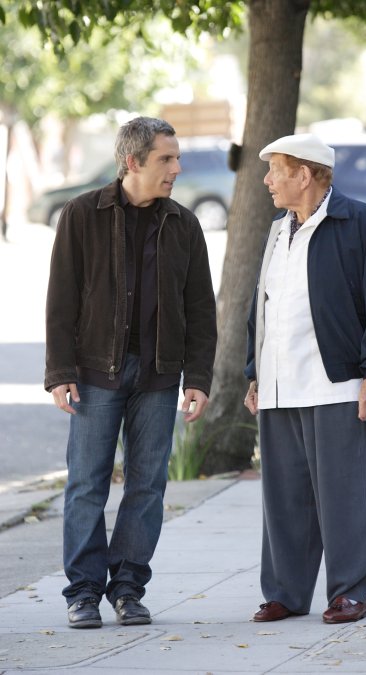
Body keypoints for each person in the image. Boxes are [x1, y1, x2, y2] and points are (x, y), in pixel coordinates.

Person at [45, 117, 217, 629]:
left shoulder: (184, 224)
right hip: (96, 372)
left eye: (177, 158)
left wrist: (198, 378)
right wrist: (60, 371)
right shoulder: (82, 214)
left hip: (159, 376)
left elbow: (200, 309)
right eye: (166, 159)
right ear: (132, 162)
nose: (177, 168)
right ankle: (82, 592)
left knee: (147, 486)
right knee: (87, 485)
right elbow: (61, 299)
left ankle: (127, 588)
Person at [244, 133, 366, 624]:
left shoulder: (362, 223)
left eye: (275, 170)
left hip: (337, 382)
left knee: (343, 494)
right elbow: (261, 308)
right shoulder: (278, 230)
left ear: (304, 174)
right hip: (278, 383)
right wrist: (255, 373)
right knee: (283, 498)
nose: (268, 180)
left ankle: (349, 591)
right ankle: (286, 593)